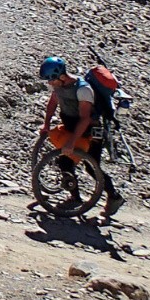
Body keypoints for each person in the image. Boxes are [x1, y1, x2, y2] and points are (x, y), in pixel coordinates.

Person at [38, 56, 122, 219]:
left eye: (51, 80)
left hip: (90, 132)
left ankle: (114, 196)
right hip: (72, 127)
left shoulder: (83, 90)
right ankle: (75, 197)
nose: (50, 84)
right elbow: (53, 102)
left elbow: (85, 119)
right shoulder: (59, 86)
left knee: (91, 167)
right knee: (64, 161)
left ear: (61, 77)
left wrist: (70, 142)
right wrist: (46, 124)